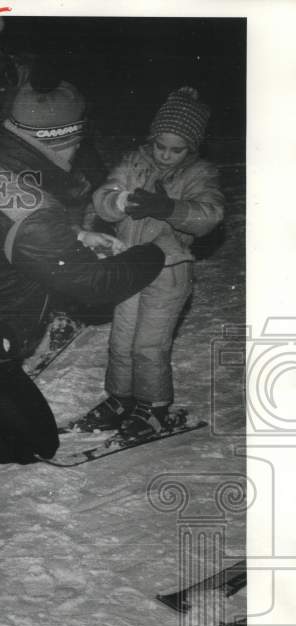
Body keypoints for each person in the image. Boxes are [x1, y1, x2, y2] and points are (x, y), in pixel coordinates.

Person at [0, 78, 170, 464]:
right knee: (36, 442)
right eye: (76, 140)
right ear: (57, 140)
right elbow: (93, 284)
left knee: (10, 410)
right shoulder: (34, 212)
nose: (78, 148)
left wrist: (75, 237)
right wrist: (155, 252)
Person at [76, 87, 225, 439]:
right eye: (161, 146)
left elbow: (210, 215)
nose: (166, 155)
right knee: (122, 340)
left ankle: (154, 407)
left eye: (177, 150)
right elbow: (102, 196)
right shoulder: (135, 163)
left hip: (169, 271)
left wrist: (167, 208)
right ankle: (121, 400)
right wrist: (122, 202)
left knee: (149, 345)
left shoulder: (199, 174)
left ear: (192, 148)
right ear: (152, 139)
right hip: (129, 265)